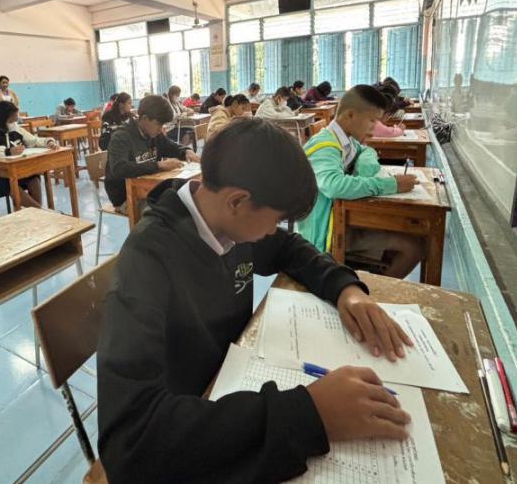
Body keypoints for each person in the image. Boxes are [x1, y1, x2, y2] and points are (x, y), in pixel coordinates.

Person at [97, 119, 413, 483]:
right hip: (188, 419)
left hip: (233, 380)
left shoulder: (224, 218)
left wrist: (346, 290)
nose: (273, 231)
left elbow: (288, 248)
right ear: (237, 201)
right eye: (275, 220)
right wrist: (309, 414)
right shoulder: (147, 263)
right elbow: (130, 442)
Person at [298, 85, 424, 279]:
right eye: (372, 120)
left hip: (343, 218)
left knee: (411, 234)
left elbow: (366, 151)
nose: (374, 128)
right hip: (326, 232)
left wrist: (363, 168)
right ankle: (369, 292)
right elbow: (335, 186)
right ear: (350, 115)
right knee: (413, 247)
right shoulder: (325, 146)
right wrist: (393, 185)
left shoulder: (346, 140)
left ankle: (369, 286)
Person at [104, 95, 199, 214]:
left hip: (150, 189)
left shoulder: (153, 133)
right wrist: (158, 165)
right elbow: (119, 168)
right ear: (144, 118)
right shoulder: (121, 137)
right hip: (126, 196)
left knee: (190, 201)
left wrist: (185, 151)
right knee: (167, 212)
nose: (161, 129)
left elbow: (169, 146)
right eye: (158, 124)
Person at [0, 101, 59, 208]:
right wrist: (7, 151)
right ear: (2, 119)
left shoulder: (14, 127)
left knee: (33, 177)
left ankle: (38, 212)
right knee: (10, 183)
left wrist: (48, 142)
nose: (14, 122)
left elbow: (33, 140)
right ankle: (41, 212)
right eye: (11, 119)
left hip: (13, 170)